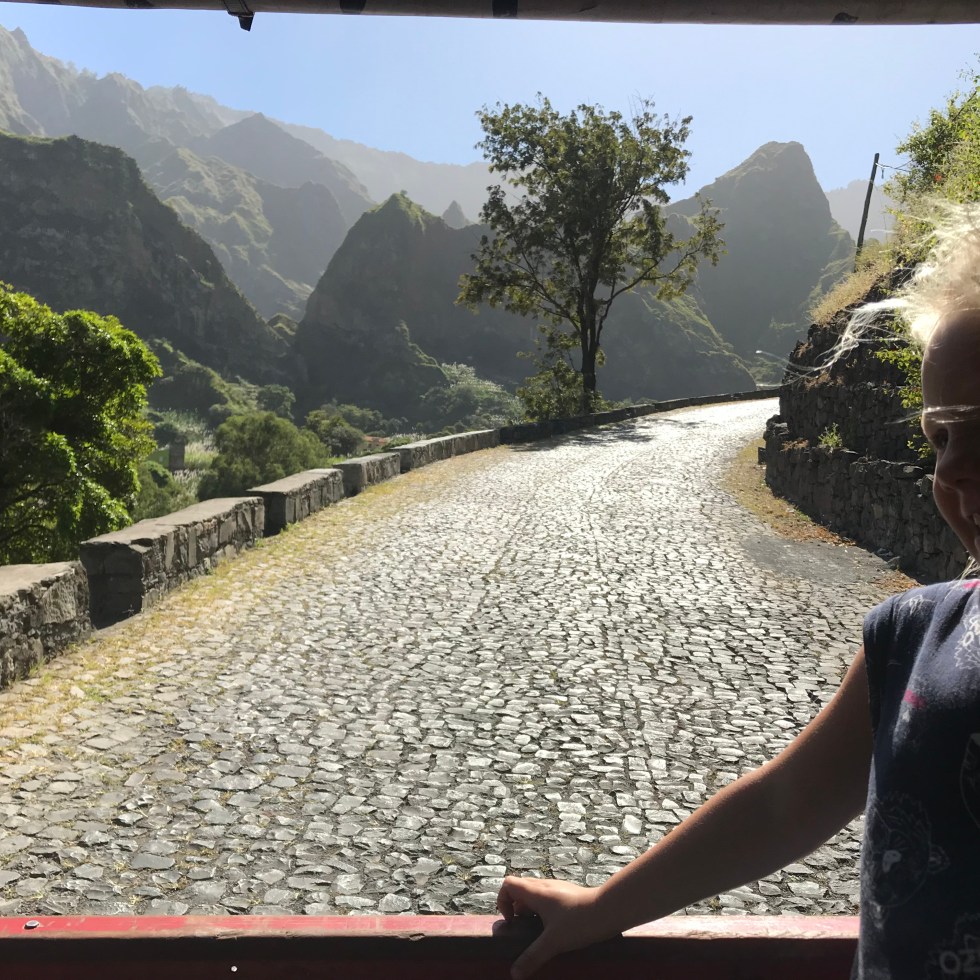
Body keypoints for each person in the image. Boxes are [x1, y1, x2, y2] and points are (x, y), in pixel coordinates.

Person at [496, 203, 980, 980]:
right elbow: (785, 805)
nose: (950, 468)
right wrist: (603, 906)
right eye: (940, 436)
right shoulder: (910, 639)